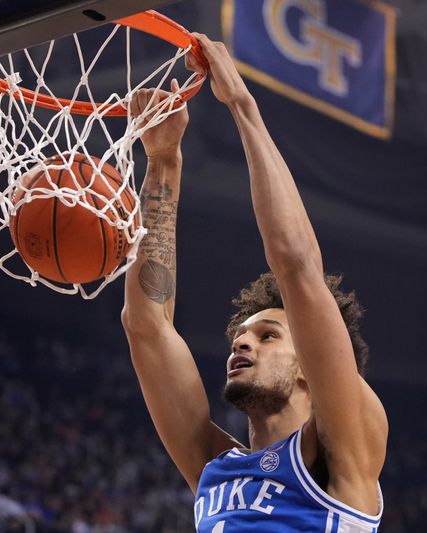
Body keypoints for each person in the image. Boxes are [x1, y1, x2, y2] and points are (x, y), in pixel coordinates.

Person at [121, 33, 387, 532]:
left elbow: (296, 261)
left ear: (311, 367)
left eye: (267, 335)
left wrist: (241, 105)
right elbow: (147, 327)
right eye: (243, 334)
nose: (242, 339)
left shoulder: (345, 453)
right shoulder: (214, 469)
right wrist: (163, 162)